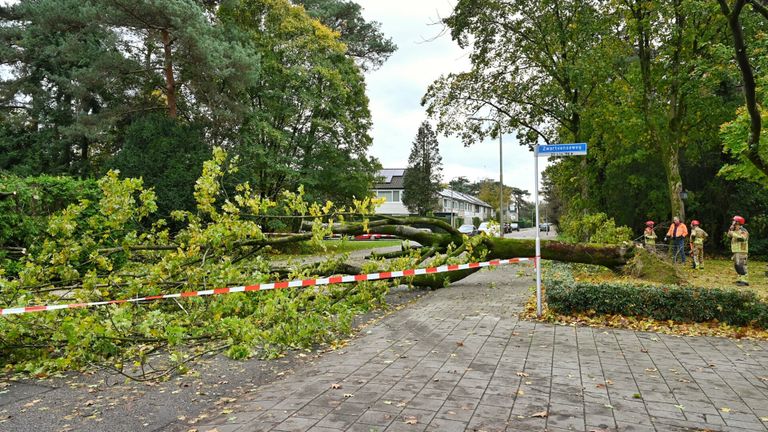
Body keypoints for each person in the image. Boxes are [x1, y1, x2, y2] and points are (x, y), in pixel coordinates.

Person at [727, 215, 749, 286]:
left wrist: (733, 233)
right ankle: (740, 279)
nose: (732, 222)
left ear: (738, 222)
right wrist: (731, 230)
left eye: (734, 221)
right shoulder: (734, 230)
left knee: (741, 265)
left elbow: (743, 238)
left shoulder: (743, 230)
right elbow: (729, 236)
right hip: (736, 251)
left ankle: (745, 281)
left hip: (742, 251)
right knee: (737, 265)